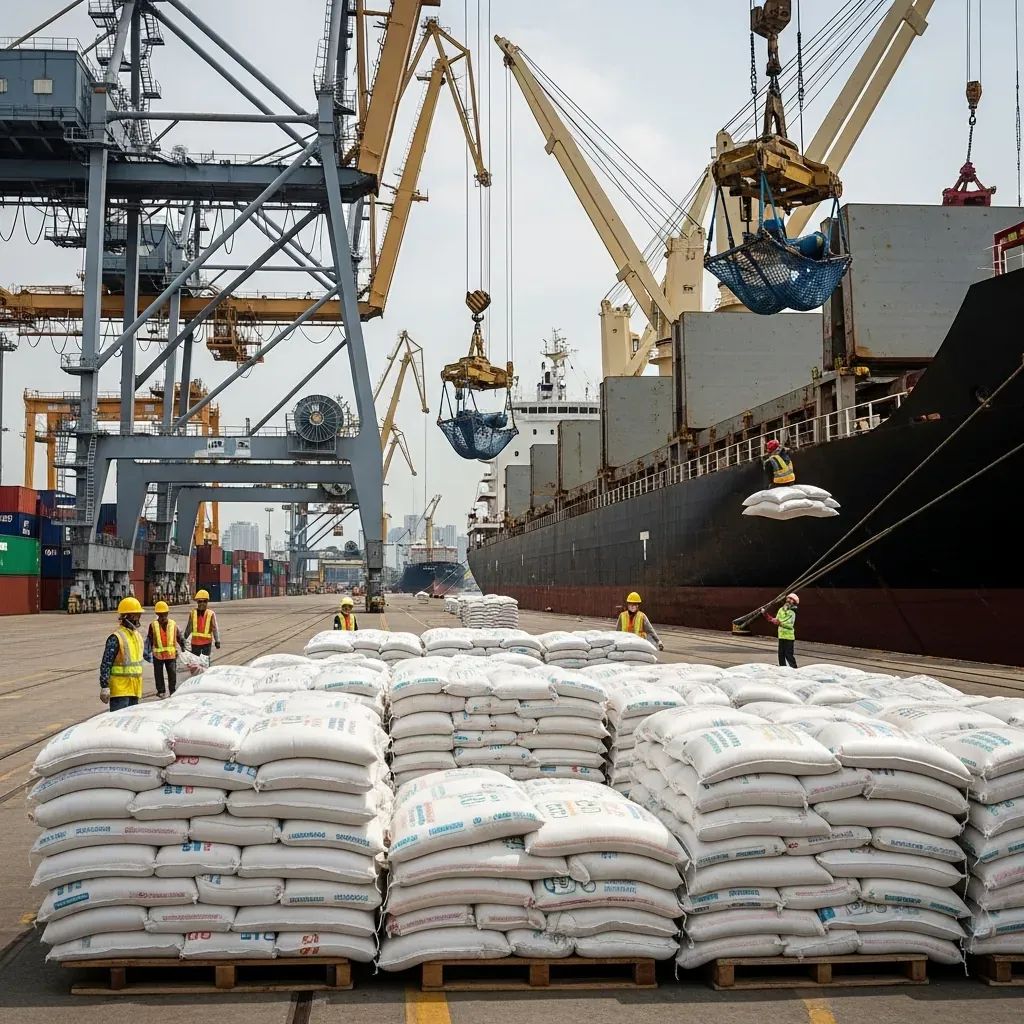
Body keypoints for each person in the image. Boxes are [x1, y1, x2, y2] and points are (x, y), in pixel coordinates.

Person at [99, 597, 144, 711]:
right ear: (126, 616)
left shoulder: (137, 636)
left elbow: (145, 655)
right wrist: (105, 686)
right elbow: (106, 663)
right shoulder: (116, 637)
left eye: (139, 615)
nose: (138, 618)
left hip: (135, 689)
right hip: (120, 691)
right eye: (136, 615)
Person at [144, 600, 179, 699]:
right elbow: (149, 639)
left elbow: (179, 636)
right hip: (158, 656)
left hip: (171, 655)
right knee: (158, 674)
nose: (162, 617)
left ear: (167, 613)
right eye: (160, 615)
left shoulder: (173, 624)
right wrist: (146, 652)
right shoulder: (153, 625)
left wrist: (184, 647)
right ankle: (161, 691)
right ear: (157, 614)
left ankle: (172, 690)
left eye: (164, 614)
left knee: (172, 674)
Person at [763, 593, 800, 668]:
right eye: (788, 598)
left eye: (791, 599)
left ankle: (794, 669)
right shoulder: (781, 610)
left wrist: (779, 623)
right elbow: (775, 620)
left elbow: (790, 626)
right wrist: (766, 615)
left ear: (794, 602)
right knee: (781, 654)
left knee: (788, 655)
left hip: (789, 637)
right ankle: (782, 669)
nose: (789, 600)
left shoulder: (792, 613)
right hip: (781, 636)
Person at [183, 589, 220, 661]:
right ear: (197, 602)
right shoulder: (192, 613)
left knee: (205, 663)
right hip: (195, 643)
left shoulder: (211, 614)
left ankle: (205, 672)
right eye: (200, 601)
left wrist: (217, 641)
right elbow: (189, 628)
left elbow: (215, 628)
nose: (202, 603)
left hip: (207, 643)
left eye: (204, 601)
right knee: (196, 663)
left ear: (207, 602)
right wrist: (183, 640)